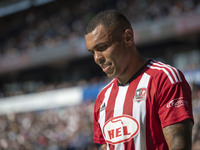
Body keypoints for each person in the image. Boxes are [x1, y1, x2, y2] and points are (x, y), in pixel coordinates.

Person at [84, 10, 193, 150]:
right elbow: (106, 147)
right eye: (93, 52)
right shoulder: (102, 98)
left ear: (128, 38)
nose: (97, 58)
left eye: (102, 47)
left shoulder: (165, 79)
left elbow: (179, 145)